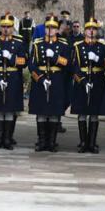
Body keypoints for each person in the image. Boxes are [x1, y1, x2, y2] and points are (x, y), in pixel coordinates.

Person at [28, 14, 72, 152]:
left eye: (53, 28)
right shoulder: (37, 43)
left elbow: (68, 64)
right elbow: (31, 64)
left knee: (54, 112)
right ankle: (41, 141)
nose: (50, 30)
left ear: (58, 30)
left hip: (56, 80)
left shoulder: (63, 44)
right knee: (41, 111)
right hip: (40, 80)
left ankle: (52, 142)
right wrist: (40, 78)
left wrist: (55, 58)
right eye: (48, 27)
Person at [0, 13, 27, 149]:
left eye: (8, 26)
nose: (6, 29)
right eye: (3, 26)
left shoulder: (19, 42)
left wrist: (12, 58)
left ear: (12, 27)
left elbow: (24, 62)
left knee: (9, 110)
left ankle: (7, 139)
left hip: (13, 79)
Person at [70, 18, 105, 153]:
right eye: (88, 29)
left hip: (97, 81)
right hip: (82, 81)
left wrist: (98, 59)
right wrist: (82, 81)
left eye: (94, 29)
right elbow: (74, 67)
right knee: (82, 113)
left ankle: (92, 143)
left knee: (94, 113)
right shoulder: (78, 46)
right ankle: (82, 142)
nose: (91, 31)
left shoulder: (103, 47)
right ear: (84, 31)